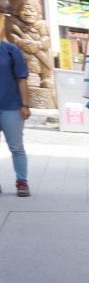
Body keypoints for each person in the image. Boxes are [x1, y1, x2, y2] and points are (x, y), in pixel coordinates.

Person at [0, 28, 30, 197]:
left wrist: (25, 105)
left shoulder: (11, 50)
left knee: (16, 147)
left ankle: (22, 182)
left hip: (11, 107)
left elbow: (22, 78)